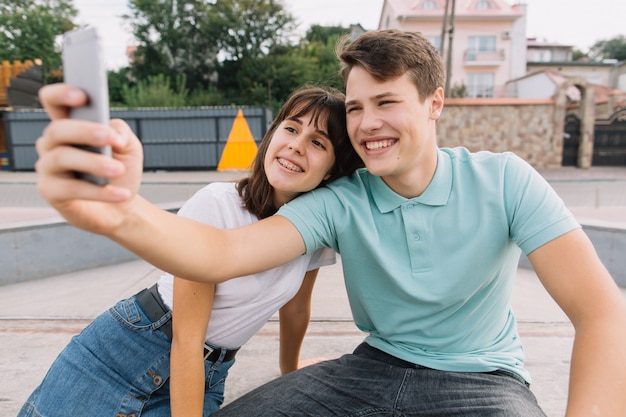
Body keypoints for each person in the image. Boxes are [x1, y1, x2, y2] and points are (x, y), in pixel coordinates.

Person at [34, 29, 626, 416]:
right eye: (357, 107)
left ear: (434, 103)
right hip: (373, 367)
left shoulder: (505, 179)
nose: (368, 123)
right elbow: (217, 254)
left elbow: (601, 312)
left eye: (386, 101)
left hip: (483, 379)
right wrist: (122, 211)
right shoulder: (342, 200)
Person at [19, 85, 363, 417]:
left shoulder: (312, 231)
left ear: (331, 169)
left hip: (209, 372)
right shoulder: (218, 203)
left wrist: (290, 370)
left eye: (318, 142)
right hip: (125, 356)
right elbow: (187, 338)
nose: (296, 146)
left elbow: (296, 310)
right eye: (291, 128)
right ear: (273, 135)